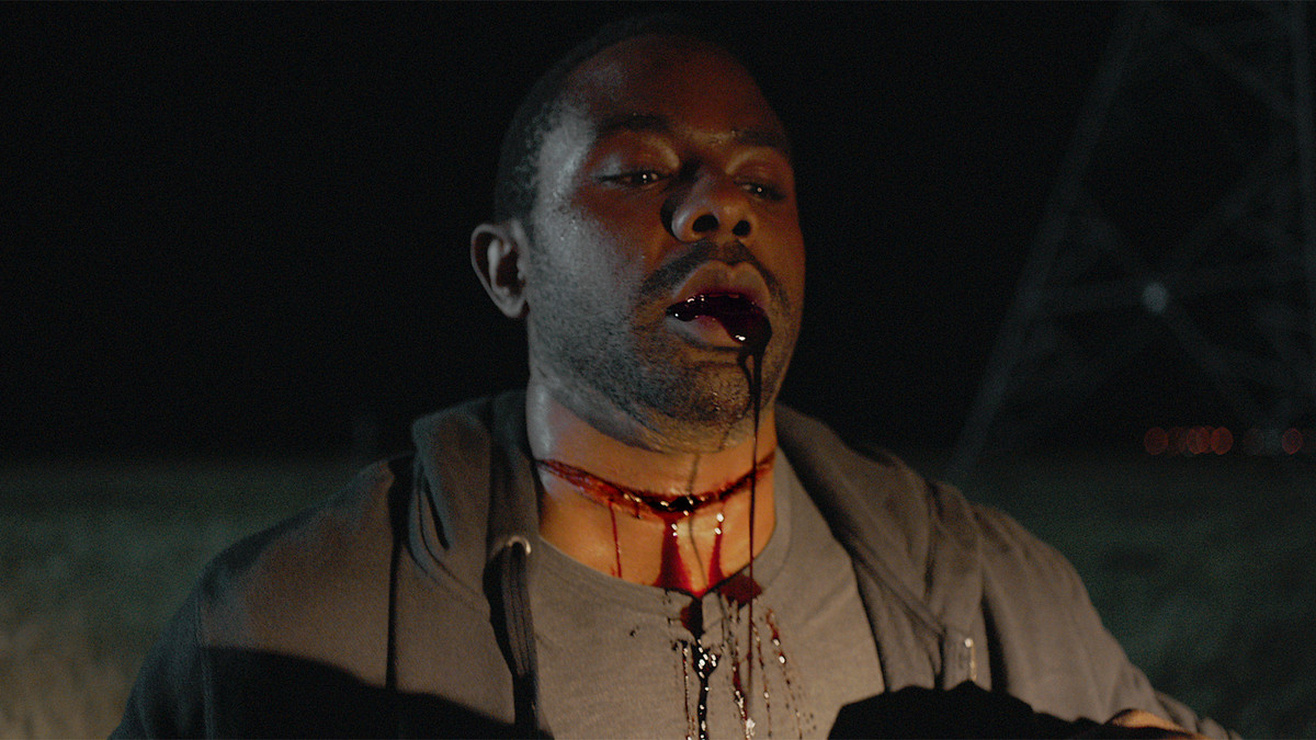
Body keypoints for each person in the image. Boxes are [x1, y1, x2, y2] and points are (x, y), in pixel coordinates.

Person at [114, 15, 1232, 739]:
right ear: (507, 268)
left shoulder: (988, 596)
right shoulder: (290, 628)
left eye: (764, 184)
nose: (720, 205)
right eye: (638, 170)